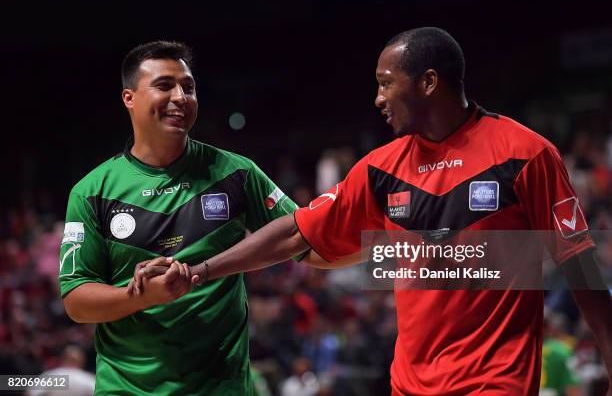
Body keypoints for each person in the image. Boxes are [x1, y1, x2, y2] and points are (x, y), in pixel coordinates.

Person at [135, 28, 612, 395]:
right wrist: (196, 270)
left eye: (386, 83)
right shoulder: (380, 169)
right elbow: (296, 233)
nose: (378, 98)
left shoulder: (524, 153)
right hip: (409, 386)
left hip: (495, 383)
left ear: (428, 83)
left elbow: (579, 263)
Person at [59, 41, 300, 395]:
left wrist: (392, 249)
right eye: (164, 85)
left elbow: (304, 235)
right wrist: (142, 296)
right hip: (128, 389)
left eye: (188, 87)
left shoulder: (236, 172)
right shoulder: (91, 191)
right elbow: (76, 301)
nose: (181, 97)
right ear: (129, 98)